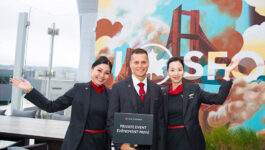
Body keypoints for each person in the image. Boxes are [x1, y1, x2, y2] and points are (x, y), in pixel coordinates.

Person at [10, 56, 113, 150]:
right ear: (92, 69)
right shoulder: (79, 89)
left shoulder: (111, 95)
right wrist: (30, 90)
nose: (102, 75)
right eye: (99, 70)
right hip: (77, 144)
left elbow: (114, 122)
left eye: (106, 73)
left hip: (100, 145)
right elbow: (51, 106)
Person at [162, 56, 240, 150]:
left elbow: (219, 99)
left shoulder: (194, 89)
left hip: (190, 141)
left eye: (179, 69)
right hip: (168, 141)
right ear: (168, 72)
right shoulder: (162, 93)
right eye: (172, 70)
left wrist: (227, 73)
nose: (176, 73)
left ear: (183, 72)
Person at [107, 48, 164, 150]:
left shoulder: (156, 89)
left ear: (148, 63)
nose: (140, 66)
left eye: (143, 62)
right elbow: (111, 120)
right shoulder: (118, 88)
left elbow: (160, 123)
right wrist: (121, 145)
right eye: (136, 62)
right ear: (130, 64)